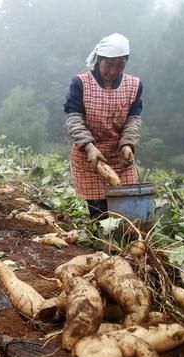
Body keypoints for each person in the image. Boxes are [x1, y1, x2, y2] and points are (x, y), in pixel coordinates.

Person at [64, 33, 143, 219]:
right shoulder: (81, 83)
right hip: (89, 156)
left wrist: (128, 144)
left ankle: (125, 244)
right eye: (109, 64)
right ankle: (104, 245)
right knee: (100, 215)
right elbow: (74, 118)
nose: (114, 71)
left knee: (126, 212)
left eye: (120, 65)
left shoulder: (134, 85)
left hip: (119, 156)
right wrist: (89, 147)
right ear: (99, 60)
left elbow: (133, 119)